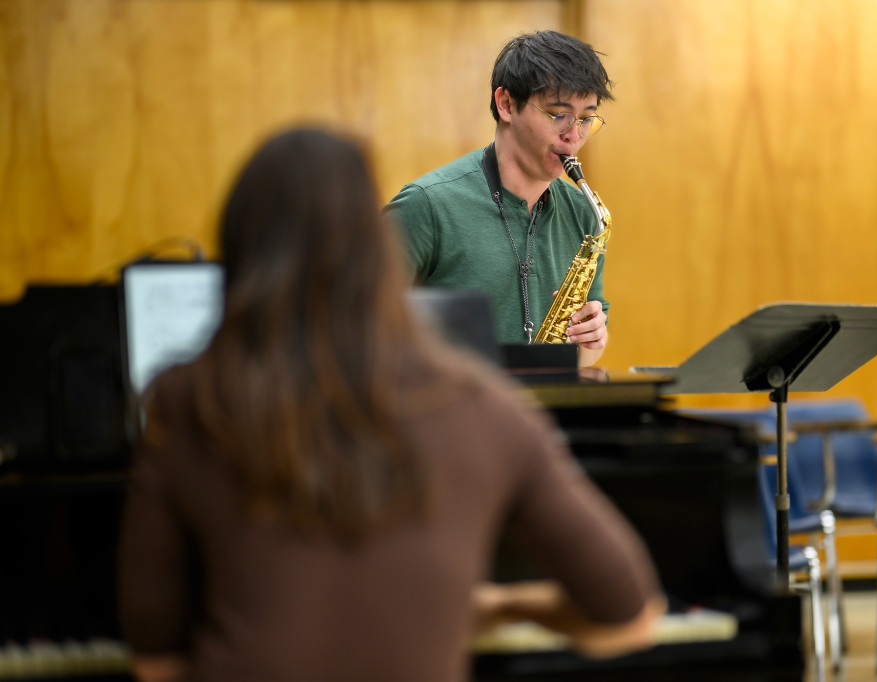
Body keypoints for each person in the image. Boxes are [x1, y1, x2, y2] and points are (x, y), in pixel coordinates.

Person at [117, 126, 664, 682]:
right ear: (381, 253)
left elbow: (156, 660)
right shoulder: (483, 405)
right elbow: (630, 617)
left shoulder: (187, 401)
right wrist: (499, 606)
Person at [384, 30, 613, 368]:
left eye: (585, 119)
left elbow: (588, 352)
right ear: (507, 104)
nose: (573, 135)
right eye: (559, 115)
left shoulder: (585, 212)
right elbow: (351, 329)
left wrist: (592, 337)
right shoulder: (426, 205)